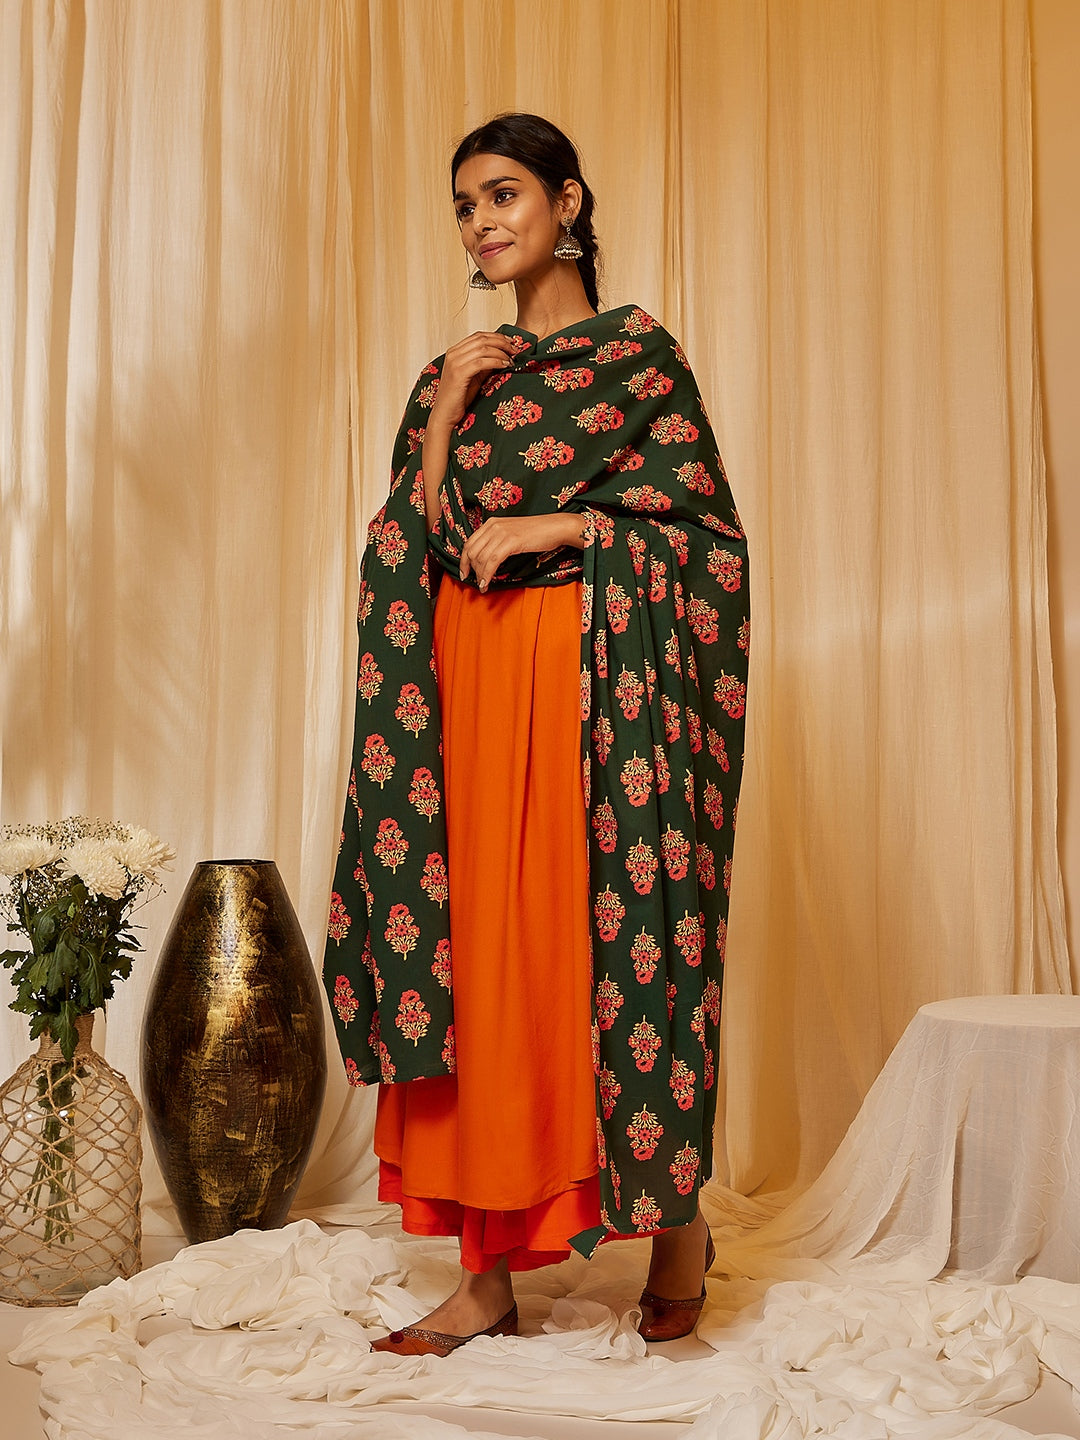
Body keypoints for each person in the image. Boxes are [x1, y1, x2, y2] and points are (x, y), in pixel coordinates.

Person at [325, 113, 749, 1356]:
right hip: (462, 691)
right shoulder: (452, 373)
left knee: (600, 951)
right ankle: (484, 1282)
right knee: (479, 961)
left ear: (568, 201)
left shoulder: (638, 359)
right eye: (465, 205)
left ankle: (677, 1235)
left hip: (593, 695)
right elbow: (408, 542)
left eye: (503, 193)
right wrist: (447, 412)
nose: (482, 222)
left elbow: (707, 543)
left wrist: (567, 528)